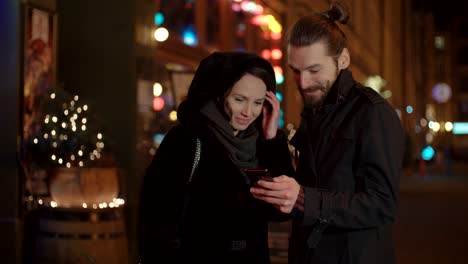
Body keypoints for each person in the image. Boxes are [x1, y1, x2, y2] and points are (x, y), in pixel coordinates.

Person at [250, 2, 405, 264]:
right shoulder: (316, 110)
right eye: (296, 71)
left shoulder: (372, 112)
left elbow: (381, 204)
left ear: (342, 59)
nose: (303, 83)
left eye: (314, 70)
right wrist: (271, 138)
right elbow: (297, 188)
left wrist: (304, 200)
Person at [138, 51, 293, 264]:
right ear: (220, 94)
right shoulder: (187, 140)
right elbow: (154, 222)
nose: (248, 112)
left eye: (257, 103)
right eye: (239, 99)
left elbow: (281, 211)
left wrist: (272, 139)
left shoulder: (261, 144)